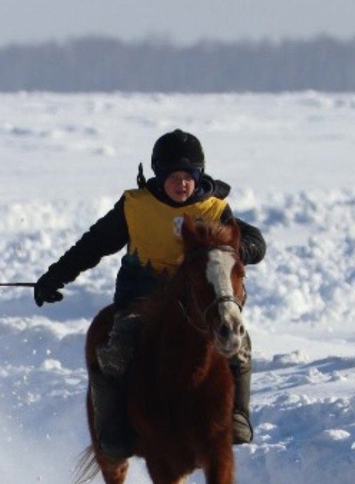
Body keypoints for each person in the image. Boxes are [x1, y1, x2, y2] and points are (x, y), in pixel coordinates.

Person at [33, 129, 265, 461]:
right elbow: (94, 244)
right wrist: (55, 277)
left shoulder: (214, 210)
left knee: (238, 345)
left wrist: (234, 245)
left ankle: (238, 417)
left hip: (196, 305)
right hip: (142, 300)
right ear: (160, 174)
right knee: (115, 353)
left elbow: (256, 243)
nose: (182, 183)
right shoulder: (136, 206)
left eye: (189, 176)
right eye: (174, 176)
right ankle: (111, 434)